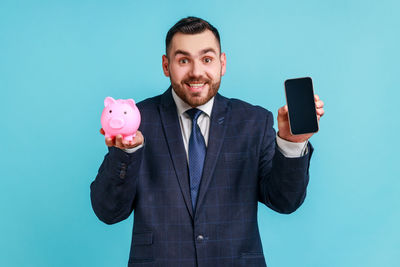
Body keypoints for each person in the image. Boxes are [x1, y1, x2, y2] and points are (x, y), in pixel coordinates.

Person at [91, 16, 325, 267]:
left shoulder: (253, 121)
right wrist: (125, 153)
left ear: (222, 63)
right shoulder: (137, 120)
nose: (196, 72)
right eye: (183, 60)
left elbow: (284, 201)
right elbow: (109, 212)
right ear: (166, 65)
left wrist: (291, 142)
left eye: (207, 59)